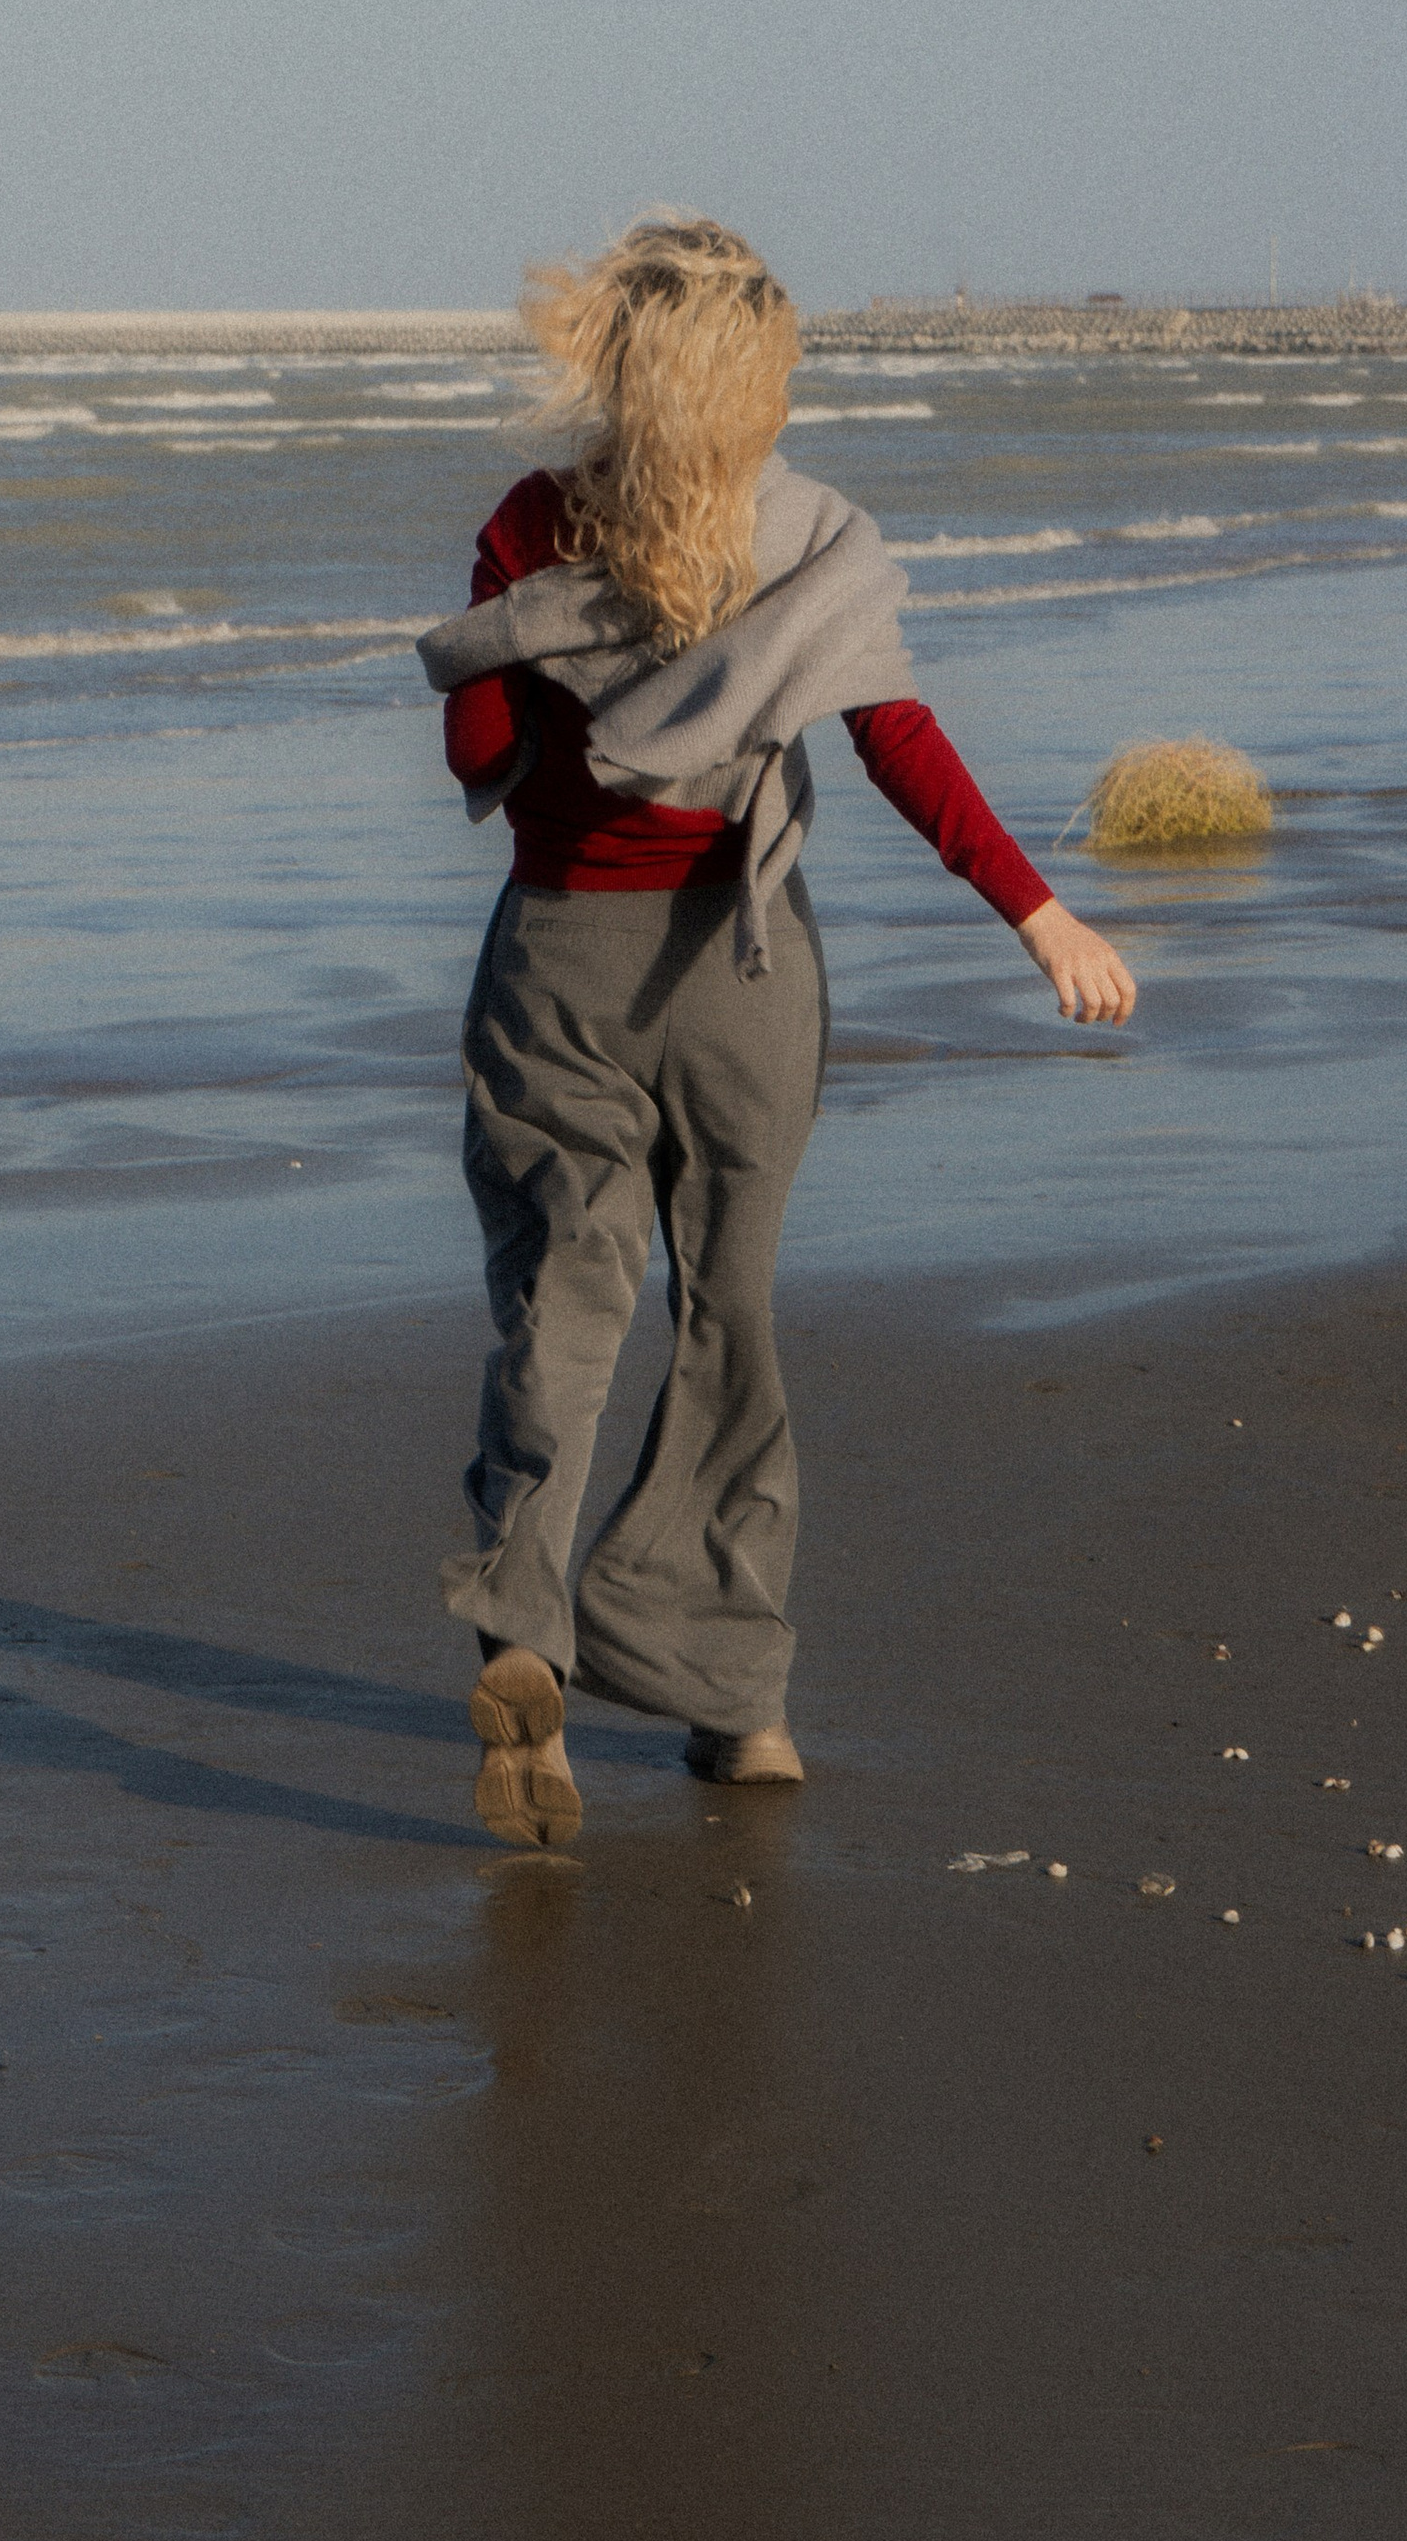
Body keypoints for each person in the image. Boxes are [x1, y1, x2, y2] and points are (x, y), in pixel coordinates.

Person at [417, 217, 1132, 1846]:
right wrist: (1041, 914)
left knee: (563, 1299)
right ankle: (739, 1709)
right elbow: (896, 736)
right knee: (728, 1316)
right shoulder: (810, 536)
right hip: (743, 976)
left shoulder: (531, 524)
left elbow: (482, 747)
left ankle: (523, 1623)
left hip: (558, 973)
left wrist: (542, 653)